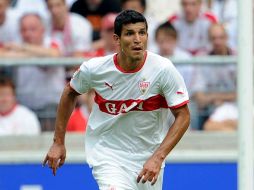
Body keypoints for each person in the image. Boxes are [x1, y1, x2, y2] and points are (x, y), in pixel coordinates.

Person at [43, 10, 190, 189]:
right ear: (117, 39)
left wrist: (158, 157)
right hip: (108, 154)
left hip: (148, 157)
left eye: (142, 32)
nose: (137, 39)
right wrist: (58, 142)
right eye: (129, 33)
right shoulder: (95, 69)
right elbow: (70, 92)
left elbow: (183, 115)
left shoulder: (163, 70)